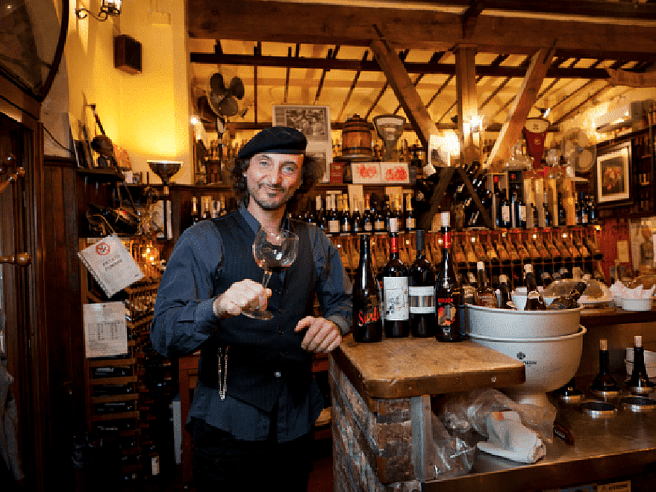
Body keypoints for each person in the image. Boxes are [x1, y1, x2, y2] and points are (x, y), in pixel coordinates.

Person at [150, 126, 352, 492]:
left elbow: (346, 302)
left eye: (288, 168)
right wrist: (216, 307)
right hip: (227, 427)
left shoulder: (314, 240)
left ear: (300, 180)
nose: (274, 179)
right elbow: (164, 334)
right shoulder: (204, 239)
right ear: (245, 171)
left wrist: (335, 323)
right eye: (264, 164)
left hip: (295, 423)